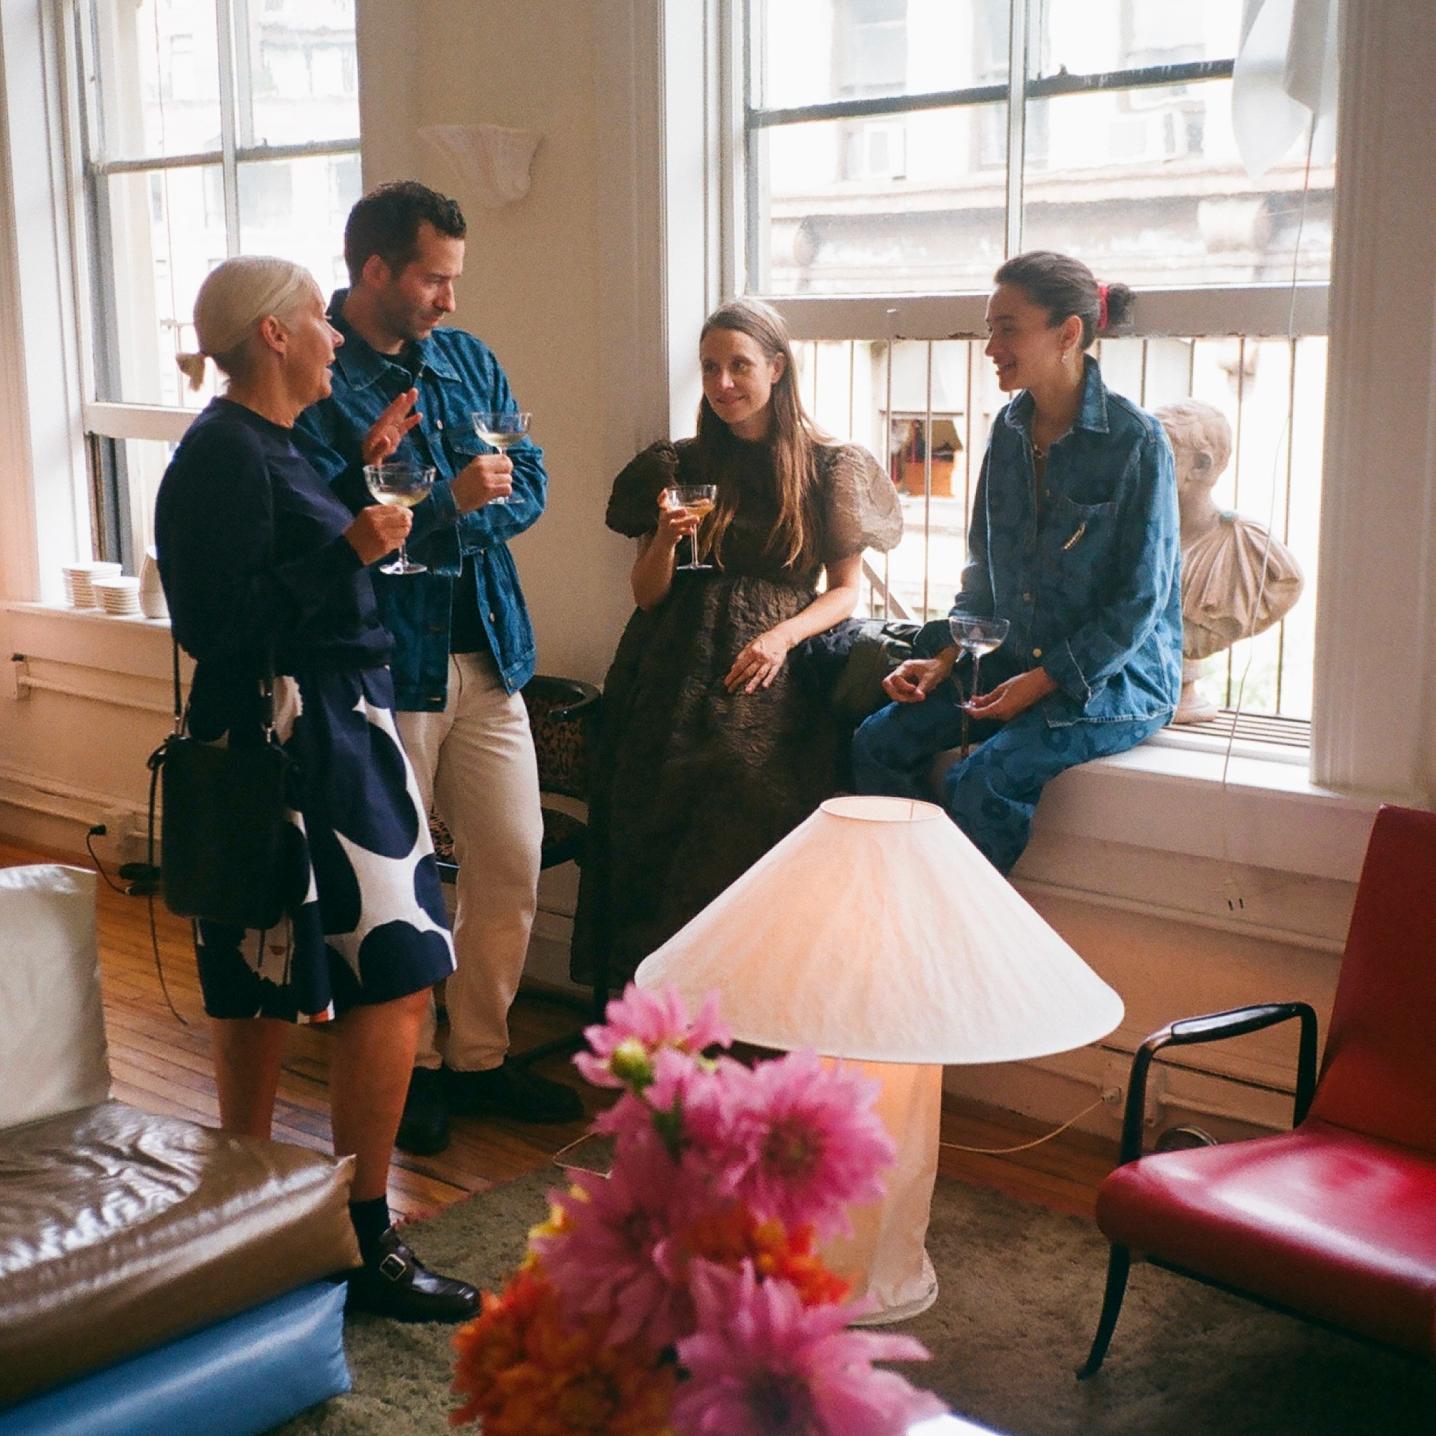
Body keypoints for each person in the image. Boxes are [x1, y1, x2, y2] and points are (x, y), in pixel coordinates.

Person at [155, 255, 476, 1322]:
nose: (338, 337)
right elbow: (215, 625)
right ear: (276, 337)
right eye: (318, 322)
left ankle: (246, 1216)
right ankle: (363, 1235)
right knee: (398, 968)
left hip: (329, 723)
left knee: (262, 966)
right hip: (298, 731)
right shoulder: (218, 452)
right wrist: (348, 540)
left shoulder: (269, 445)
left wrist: (354, 490)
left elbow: (276, 563)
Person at [293, 181, 581, 1156]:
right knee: (397, 888)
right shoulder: (315, 378)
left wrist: (447, 520)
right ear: (374, 270)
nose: (450, 299)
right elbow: (336, 529)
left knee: (510, 853)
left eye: (455, 278)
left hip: (490, 652)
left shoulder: (464, 357)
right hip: (383, 666)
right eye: (433, 277)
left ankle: (482, 1056)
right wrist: (452, 509)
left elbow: (527, 479)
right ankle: (406, 1069)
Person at [571, 297, 902, 988]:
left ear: (777, 368)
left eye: (740, 366)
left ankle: (741, 1009)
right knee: (649, 815)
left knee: (746, 800)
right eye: (710, 368)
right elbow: (647, 593)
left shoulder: (827, 466)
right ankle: (651, 1016)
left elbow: (846, 592)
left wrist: (782, 636)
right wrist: (663, 537)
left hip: (771, 669)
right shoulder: (678, 464)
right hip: (666, 663)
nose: (723, 383)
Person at [852, 251, 1182, 874]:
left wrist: (1043, 680)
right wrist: (946, 655)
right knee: (877, 743)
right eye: (989, 327)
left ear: (1068, 333)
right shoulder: (1007, 431)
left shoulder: (1136, 442)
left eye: (1008, 327)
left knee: (982, 779)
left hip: (1111, 680)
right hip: (1007, 657)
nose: (990, 347)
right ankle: (918, 901)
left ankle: (964, 941)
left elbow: (1138, 603)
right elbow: (981, 575)